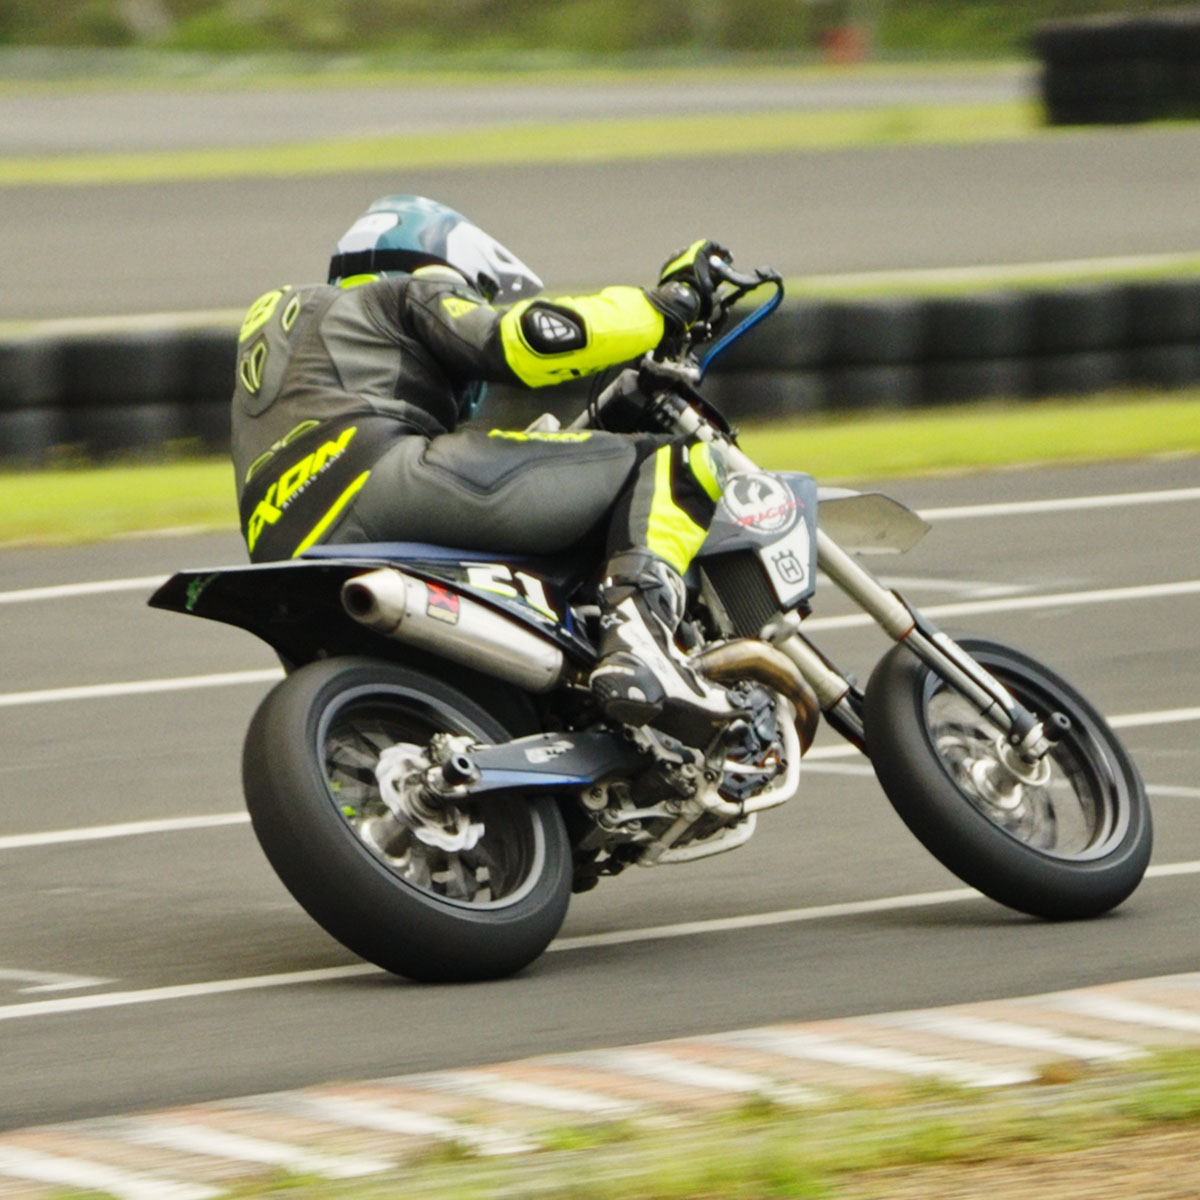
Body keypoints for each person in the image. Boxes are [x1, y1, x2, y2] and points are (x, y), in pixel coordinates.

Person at [231, 194, 735, 728]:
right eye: (481, 291)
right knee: (672, 463)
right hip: (386, 480)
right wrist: (667, 304)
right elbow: (524, 341)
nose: (479, 300)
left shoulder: (290, 324)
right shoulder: (410, 289)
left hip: (282, 547)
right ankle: (641, 641)